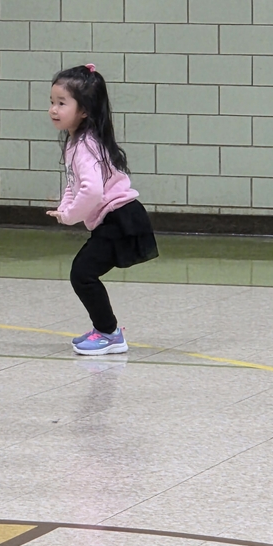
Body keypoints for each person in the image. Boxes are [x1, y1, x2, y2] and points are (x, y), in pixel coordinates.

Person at [47, 63, 158, 356]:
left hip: (121, 220)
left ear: (84, 110)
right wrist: (64, 206)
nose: (54, 109)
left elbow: (93, 190)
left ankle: (109, 334)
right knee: (83, 273)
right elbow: (76, 184)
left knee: (82, 273)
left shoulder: (85, 145)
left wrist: (70, 216)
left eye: (62, 103)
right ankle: (105, 330)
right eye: (52, 102)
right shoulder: (77, 141)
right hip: (116, 219)